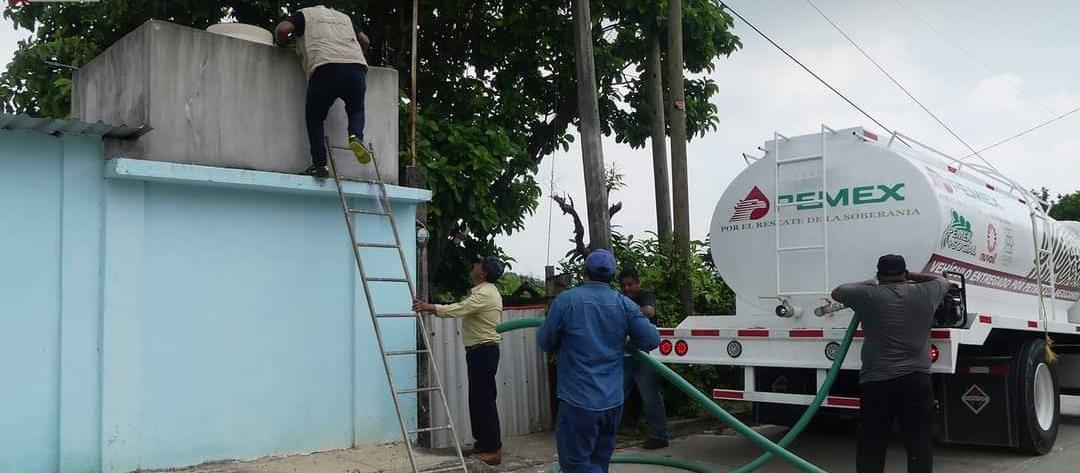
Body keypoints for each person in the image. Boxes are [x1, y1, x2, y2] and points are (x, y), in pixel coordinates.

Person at [539, 250, 660, 473]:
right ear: (613, 277)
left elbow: (545, 342)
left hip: (578, 401)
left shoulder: (566, 301)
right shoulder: (623, 304)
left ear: (584, 273)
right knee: (599, 462)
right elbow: (651, 339)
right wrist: (624, 342)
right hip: (612, 403)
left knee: (576, 465)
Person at [830, 254, 950, 473]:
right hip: (917, 379)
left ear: (878, 273)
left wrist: (869, 281)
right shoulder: (926, 293)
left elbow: (837, 291)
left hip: (877, 381)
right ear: (904, 273)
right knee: (919, 440)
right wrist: (912, 275)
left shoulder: (868, 295)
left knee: (872, 440)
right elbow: (943, 281)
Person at [413, 256, 506, 465]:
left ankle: (493, 449)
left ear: (483, 273)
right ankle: (483, 443)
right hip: (479, 350)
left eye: (477, 264)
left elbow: (459, 309)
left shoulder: (485, 293)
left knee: (484, 400)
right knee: (478, 398)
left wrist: (429, 307)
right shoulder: (484, 291)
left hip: (484, 350)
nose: (474, 266)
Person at [275, 5, 373, 178]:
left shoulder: (305, 15)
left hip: (326, 67)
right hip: (356, 69)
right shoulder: (344, 18)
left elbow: (283, 30)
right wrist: (357, 56)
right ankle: (356, 137)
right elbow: (365, 40)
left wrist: (281, 44)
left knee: (315, 117)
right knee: (356, 108)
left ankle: (320, 165)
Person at [618, 268, 669, 449]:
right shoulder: (620, 299)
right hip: (624, 355)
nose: (626, 288)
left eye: (630, 284)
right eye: (623, 285)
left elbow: (649, 312)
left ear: (638, 283)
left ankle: (659, 435)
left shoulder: (645, 296)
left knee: (650, 396)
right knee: (614, 395)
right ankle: (604, 434)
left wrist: (628, 309)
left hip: (644, 356)